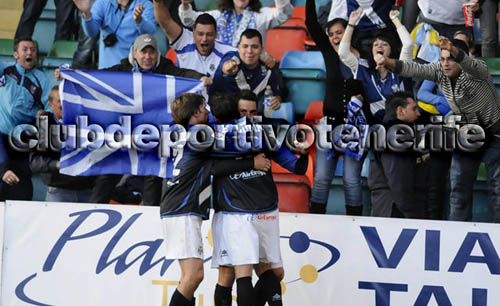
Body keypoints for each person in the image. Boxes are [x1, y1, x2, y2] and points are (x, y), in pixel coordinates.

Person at [56, 34, 212, 204]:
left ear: (157, 54)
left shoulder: (166, 68)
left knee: (154, 175)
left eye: (152, 53)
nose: (147, 57)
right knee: (109, 171)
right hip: (123, 132)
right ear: (135, 53)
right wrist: (70, 76)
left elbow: (182, 74)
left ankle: (150, 219)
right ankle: (94, 213)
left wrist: (199, 78)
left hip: (153, 136)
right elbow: (96, 79)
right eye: (143, 52)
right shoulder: (122, 69)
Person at [160, 92, 270, 306]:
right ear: (196, 113)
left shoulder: (186, 133)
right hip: (182, 209)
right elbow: (227, 155)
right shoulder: (200, 136)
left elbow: (211, 166)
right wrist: (253, 160)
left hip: (175, 207)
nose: (208, 112)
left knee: (187, 277)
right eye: (204, 108)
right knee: (194, 276)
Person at [375, 36, 500, 222]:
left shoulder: (478, 70)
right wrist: (387, 62)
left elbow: (467, 61)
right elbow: (413, 68)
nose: (445, 64)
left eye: (450, 59)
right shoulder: (440, 71)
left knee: (498, 191)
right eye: (442, 59)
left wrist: (455, 51)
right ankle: (458, 236)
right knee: (458, 191)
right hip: (466, 135)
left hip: (494, 134)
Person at [210, 93, 308, 306]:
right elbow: (211, 168)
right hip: (233, 213)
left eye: (253, 112)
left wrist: (305, 152)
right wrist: (250, 164)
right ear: (232, 112)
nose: (247, 117)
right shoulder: (215, 137)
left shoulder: (263, 135)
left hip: (265, 211)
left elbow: (298, 167)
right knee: (233, 273)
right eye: (242, 112)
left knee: (274, 273)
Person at [305, 0, 368, 215]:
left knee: (351, 180)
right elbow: (311, 24)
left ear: (349, 33)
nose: (334, 37)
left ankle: (355, 224)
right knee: (322, 178)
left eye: (339, 32)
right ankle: (316, 223)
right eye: (331, 34)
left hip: (355, 128)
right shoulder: (330, 55)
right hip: (329, 125)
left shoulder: (364, 60)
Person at [339, 8, 413, 123]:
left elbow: (408, 44)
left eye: (384, 44)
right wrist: (351, 24)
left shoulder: (400, 67)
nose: (379, 47)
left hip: (401, 119)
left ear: (391, 50)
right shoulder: (364, 67)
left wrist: (395, 20)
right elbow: (343, 53)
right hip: (375, 120)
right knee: (354, 100)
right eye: (376, 45)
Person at [0, 37, 51, 201]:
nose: (30, 52)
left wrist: (43, 115)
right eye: (25, 49)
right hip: (1, 132)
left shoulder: (41, 79)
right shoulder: (5, 70)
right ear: (16, 54)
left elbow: (50, 106)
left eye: (33, 50)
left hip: (21, 138)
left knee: (20, 186)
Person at [368, 92, 429, 218]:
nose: (418, 113)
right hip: (395, 209)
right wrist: (410, 213)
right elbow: (397, 176)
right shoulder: (396, 135)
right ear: (400, 111)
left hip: (388, 205)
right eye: (414, 109)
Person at [29, 86, 95, 202]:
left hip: (88, 190)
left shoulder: (88, 123)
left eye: (68, 100)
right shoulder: (43, 126)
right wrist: (57, 164)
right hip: (59, 192)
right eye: (60, 101)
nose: (65, 105)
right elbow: (34, 162)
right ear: (51, 105)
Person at [153, 0, 235, 77]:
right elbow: (165, 22)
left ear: (216, 34)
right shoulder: (184, 40)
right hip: (187, 92)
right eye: (200, 34)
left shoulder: (227, 51)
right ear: (193, 32)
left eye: (209, 34)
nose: (204, 39)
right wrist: (158, 2)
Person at [211, 29, 283, 115]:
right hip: (228, 117)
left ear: (261, 49)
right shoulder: (232, 58)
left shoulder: (267, 69)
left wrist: (277, 100)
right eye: (245, 46)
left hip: (254, 119)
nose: (249, 51)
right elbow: (226, 65)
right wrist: (227, 68)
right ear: (239, 48)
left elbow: (277, 94)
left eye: (254, 47)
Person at [73, 0, 157, 69]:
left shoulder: (145, 5)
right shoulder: (102, 3)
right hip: (107, 70)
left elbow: (150, 33)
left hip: (133, 70)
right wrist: (86, 13)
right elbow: (91, 33)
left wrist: (139, 21)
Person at [177, 0, 293, 47]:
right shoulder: (218, 15)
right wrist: (186, 5)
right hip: (221, 70)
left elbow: (284, 14)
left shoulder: (261, 15)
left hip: (251, 70)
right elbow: (190, 20)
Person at [327, 0, 398, 59]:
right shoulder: (343, 2)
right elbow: (335, 34)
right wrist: (356, 58)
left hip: (388, 44)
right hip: (359, 49)